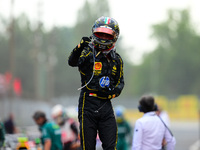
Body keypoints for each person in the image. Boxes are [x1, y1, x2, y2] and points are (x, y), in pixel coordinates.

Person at [68, 16, 124, 150]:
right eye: (101, 33)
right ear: (94, 32)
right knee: (88, 147)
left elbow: (120, 83)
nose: (104, 37)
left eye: (108, 34)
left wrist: (111, 93)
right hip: (87, 104)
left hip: (106, 104)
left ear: (115, 37)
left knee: (111, 146)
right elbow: (72, 62)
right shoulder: (87, 52)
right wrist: (80, 46)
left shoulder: (117, 60)